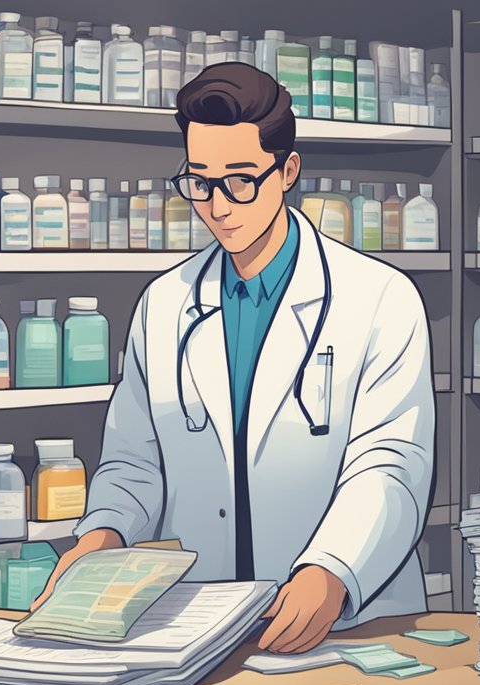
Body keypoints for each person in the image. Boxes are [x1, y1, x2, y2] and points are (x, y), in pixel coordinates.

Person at [34, 62, 435, 654]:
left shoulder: (380, 298)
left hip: (345, 619)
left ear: (288, 171)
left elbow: (390, 467)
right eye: (200, 182)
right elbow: (134, 462)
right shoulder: (164, 304)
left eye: (241, 181)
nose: (218, 207)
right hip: (196, 622)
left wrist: (331, 571)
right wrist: (102, 536)